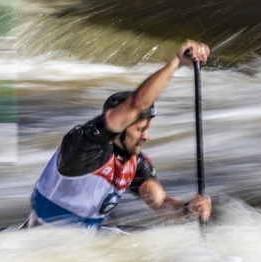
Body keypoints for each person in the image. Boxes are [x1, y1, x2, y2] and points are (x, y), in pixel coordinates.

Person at [24, 40, 212, 228]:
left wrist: (188, 209)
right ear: (120, 127)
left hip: (78, 246)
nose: (146, 136)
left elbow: (161, 205)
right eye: (140, 129)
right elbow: (136, 103)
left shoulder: (134, 162)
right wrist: (176, 62)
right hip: (39, 239)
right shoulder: (84, 144)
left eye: (148, 129)